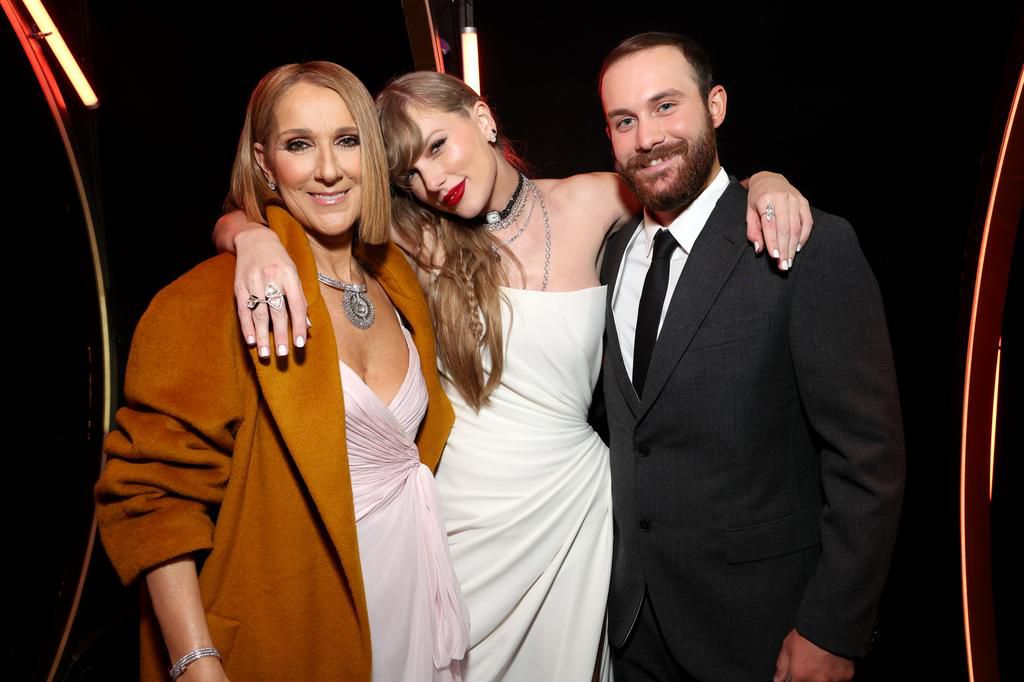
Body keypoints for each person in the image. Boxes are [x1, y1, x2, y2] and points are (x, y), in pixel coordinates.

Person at [215, 72, 811, 680]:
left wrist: (768, 182)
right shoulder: (411, 233)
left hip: (572, 512)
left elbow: (697, 192)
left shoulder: (595, 199)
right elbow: (251, 212)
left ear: (483, 117)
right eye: (410, 175)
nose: (434, 181)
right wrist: (252, 239)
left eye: (438, 146)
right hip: (459, 517)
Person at [95, 62, 468, 682]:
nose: (328, 169)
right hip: (296, 625)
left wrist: (246, 231)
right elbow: (150, 497)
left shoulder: (397, 280)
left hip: (414, 598)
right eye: (300, 145)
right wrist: (195, 662)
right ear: (265, 162)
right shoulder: (211, 300)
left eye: (346, 140)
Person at [598, 32, 906, 682]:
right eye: (624, 120)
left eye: (664, 107)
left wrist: (833, 627)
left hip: (763, 634)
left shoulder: (805, 244)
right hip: (630, 631)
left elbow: (868, 459)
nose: (646, 137)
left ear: (716, 105)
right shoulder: (607, 253)